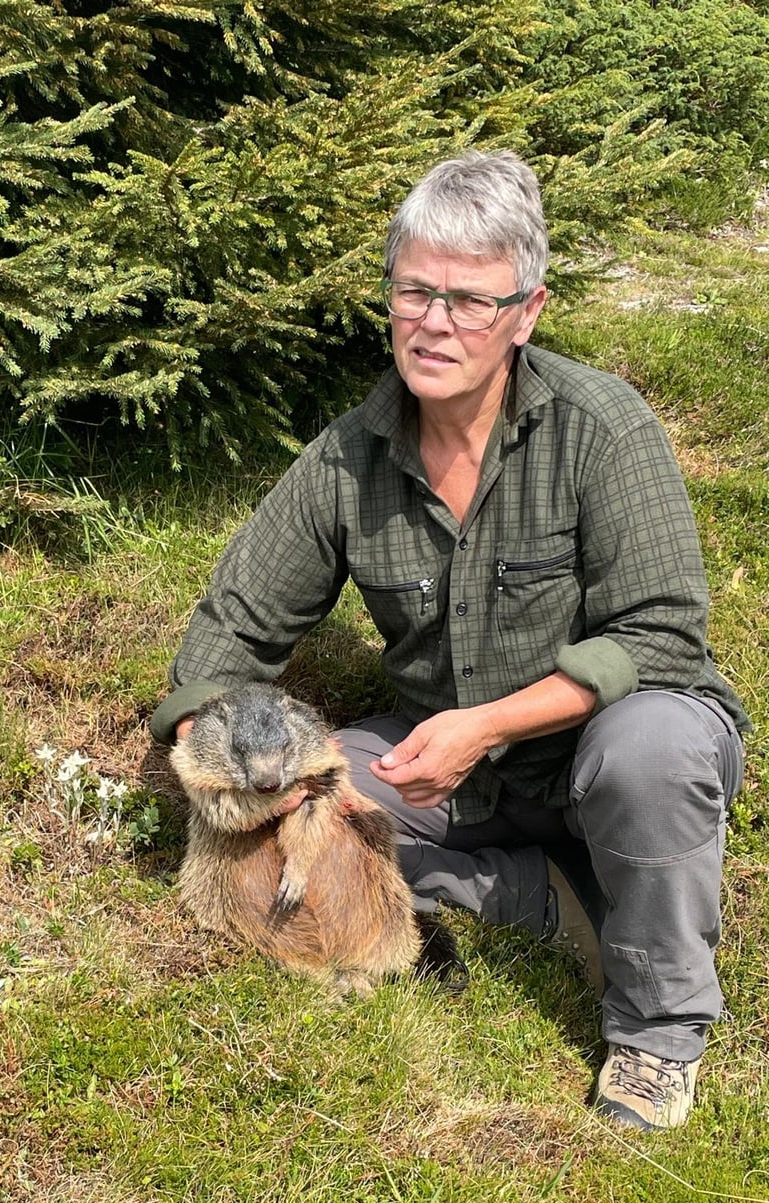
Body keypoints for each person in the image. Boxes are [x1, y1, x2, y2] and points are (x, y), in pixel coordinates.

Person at [150, 149, 750, 1131]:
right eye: (414, 290)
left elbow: (665, 635)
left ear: (527, 310)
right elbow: (234, 627)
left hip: (611, 739)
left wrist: (488, 723)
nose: (435, 322)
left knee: (648, 752)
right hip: (451, 770)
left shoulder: (604, 428)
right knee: (299, 816)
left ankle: (655, 1032)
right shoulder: (348, 457)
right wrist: (224, 753)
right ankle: (539, 892)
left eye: (471, 300)